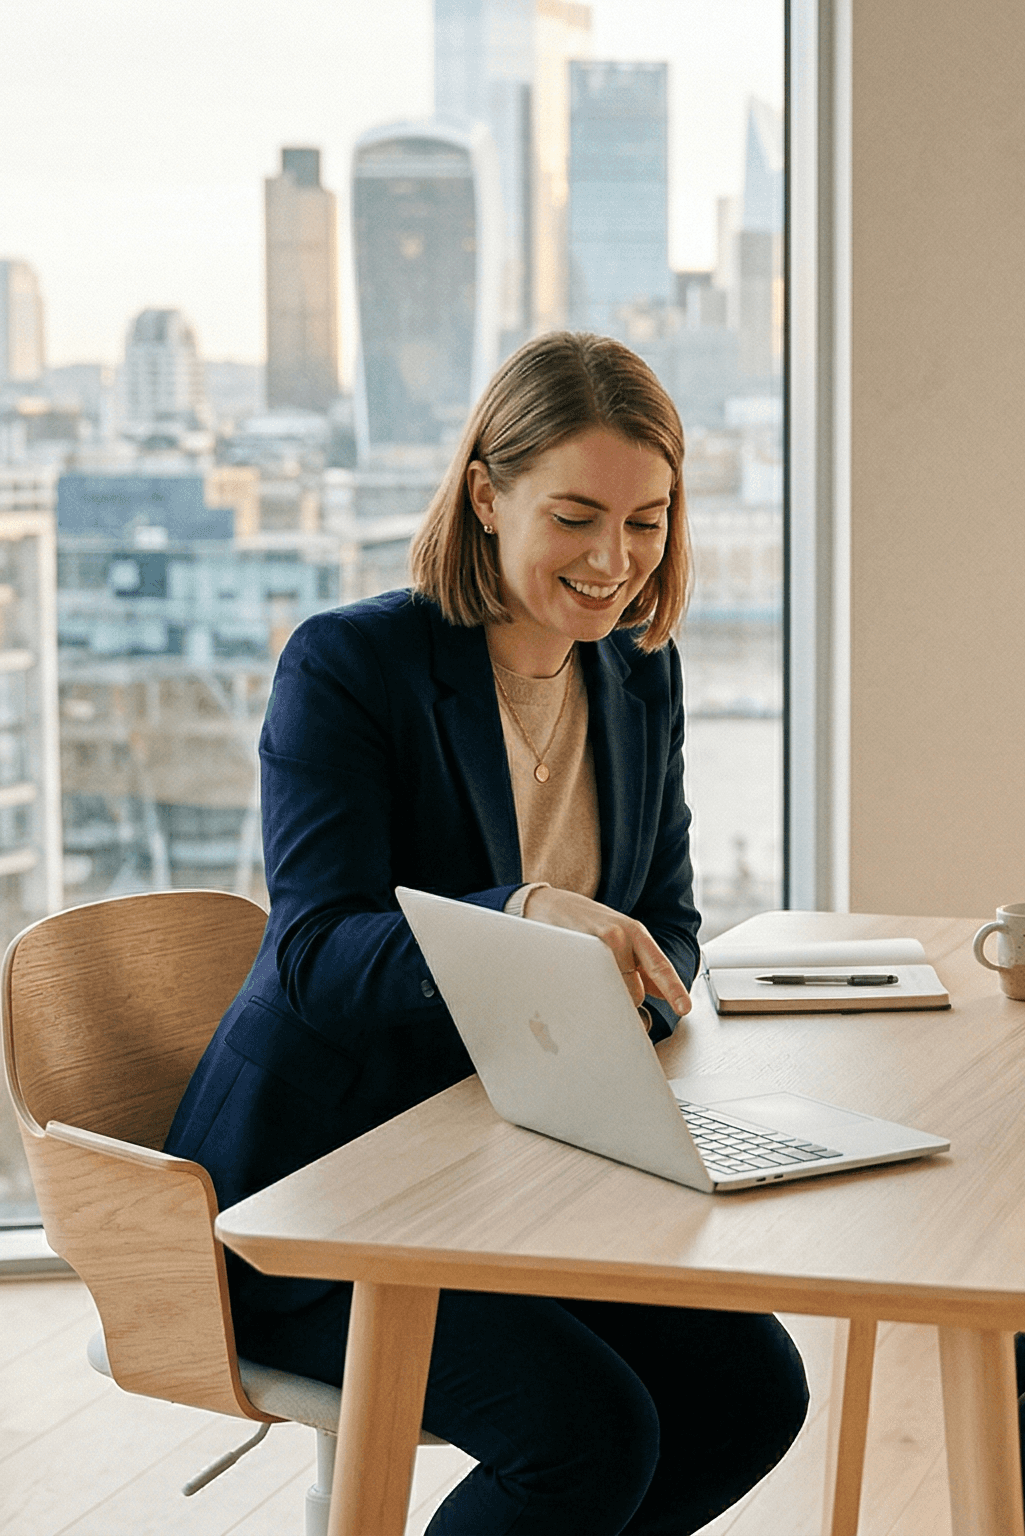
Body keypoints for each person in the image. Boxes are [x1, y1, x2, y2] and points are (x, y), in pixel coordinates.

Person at [163, 333, 807, 1535]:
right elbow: (315, 953)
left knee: (749, 1394)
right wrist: (517, 921)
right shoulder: (351, 665)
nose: (613, 561)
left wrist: (620, 998)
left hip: (516, 1163)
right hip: (318, 1188)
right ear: (484, 493)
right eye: (575, 516)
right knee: (586, 1436)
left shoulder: (634, 676)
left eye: (648, 522)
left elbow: (663, 920)